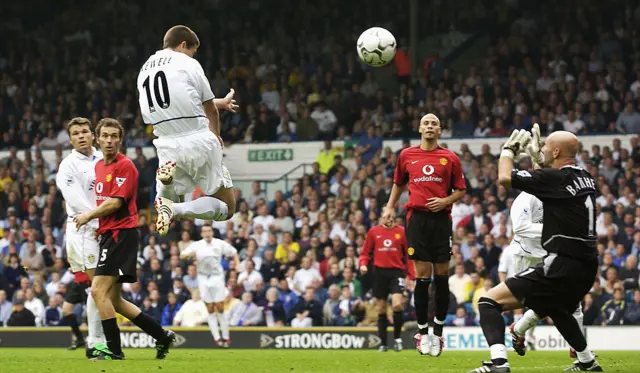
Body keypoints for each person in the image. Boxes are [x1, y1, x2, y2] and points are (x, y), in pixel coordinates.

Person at [468, 126, 602, 372]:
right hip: (587, 265)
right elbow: (550, 183)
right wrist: (539, 160)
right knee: (557, 308)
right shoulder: (585, 177)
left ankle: (499, 363)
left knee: (488, 301)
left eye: (546, 146)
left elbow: (505, 178)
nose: (541, 148)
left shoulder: (556, 178)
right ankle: (587, 362)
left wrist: (508, 151)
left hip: (561, 263)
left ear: (557, 150)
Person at [74, 118, 175, 360]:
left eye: (114, 136)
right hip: (109, 235)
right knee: (115, 301)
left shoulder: (126, 166)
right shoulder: (99, 167)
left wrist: (88, 215)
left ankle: (114, 351)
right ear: (98, 139)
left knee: (98, 292)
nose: (109, 141)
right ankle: (162, 336)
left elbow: (116, 202)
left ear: (120, 140)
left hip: (122, 234)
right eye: (105, 136)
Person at [136, 25, 239, 236]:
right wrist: (216, 135)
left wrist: (220, 102)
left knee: (171, 194)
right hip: (197, 139)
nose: (193, 55)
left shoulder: (145, 68)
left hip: (165, 142)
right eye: (193, 50)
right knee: (227, 207)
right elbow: (208, 108)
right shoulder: (188, 63)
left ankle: (165, 190)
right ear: (183, 45)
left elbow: (178, 101)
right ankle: (174, 209)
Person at [381, 113, 466, 357]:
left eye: (434, 124)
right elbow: (398, 183)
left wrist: (445, 200)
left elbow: (460, 189)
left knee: (441, 274)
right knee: (421, 275)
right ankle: (422, 333)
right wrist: (389, 207)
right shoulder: (407, 155)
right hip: (416, 220)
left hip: (441, 220)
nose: (430, 127)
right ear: (420, 128)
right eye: (426, 123)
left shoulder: (450, 158)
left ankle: (438, 333)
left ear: (440, 130)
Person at [55, 117, 105, 357]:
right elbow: (74, 200)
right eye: (76, 133)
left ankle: (98, 340)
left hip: (105, 226)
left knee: (103, 288)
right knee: (97, 286)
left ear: (93, 134)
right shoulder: (68, 165)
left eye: (85, 131)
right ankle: (96, 341)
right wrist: (98, 219)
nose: (81, 136)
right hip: (83, 229)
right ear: (71, 139)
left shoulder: (105, 158)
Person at [359, 222, 415, 352]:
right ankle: (383, 343)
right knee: (381, 309)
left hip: (397, 272)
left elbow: (409, 254)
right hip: (379, 273)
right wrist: (363, 264)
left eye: (390, 215)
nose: (388, 218)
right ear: (382, 216)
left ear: (393, 214)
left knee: (397, 305)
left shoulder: (401, 231)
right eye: (385, 215)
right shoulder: (374, 231)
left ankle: (397, 339)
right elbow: (365, 252)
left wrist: (411, 275)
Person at [180, 224, 239, 348]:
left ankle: (226, 337)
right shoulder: (197, 245)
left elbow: (234, 252)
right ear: (201, 234)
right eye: (204, 231)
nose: (207, 233)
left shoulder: (219, 244)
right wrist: (188, 255)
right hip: (203, 278)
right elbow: (182, 255)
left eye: (209, 231)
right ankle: (217, 338)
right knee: (210, 308)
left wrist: (237, 264)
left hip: (217, 277)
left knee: (220, 307)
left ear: (212, 232)